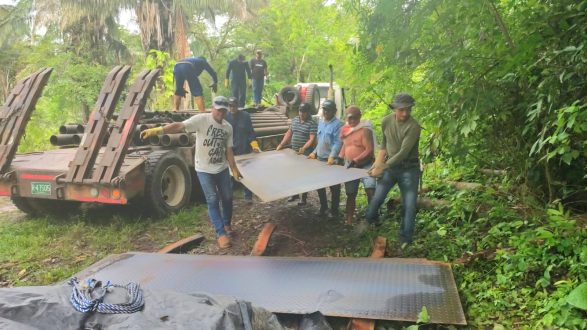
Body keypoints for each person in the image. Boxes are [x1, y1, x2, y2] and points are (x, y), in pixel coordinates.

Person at [140, 96, 242, 249]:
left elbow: (228, 150)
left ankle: (226, 224)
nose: (221, 113)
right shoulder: (202, 120)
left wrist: (233, 168)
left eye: (223, 110)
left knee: (227, 197)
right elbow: (179, 126)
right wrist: (159, 130)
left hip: (221, 168)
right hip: (203, 169)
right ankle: (221, 233)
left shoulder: (228, 127)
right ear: (212, 108)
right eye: (218, 109)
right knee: (212, 199)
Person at [365, 93, 421, 247]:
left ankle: (406, 239)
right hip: (390, 167)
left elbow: (403, 153)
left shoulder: (414, 127)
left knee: (409, 205)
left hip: (409, 169)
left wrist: (383, 166)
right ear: (395, 108)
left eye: (408, 109)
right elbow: (384, 146)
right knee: (377, 198)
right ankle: (366, 224)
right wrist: (377, 164)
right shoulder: (386, 121)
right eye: (402, 109)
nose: (405, 113)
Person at [338, 106, 376, 225]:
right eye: (350, 118)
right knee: (350, 193)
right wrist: (339, 157)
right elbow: (345, 146)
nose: (352, 121)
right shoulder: (345, 130)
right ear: (346, 118)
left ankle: (373, 217)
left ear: (359, 117)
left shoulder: (365, 130)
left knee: (370, 190)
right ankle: (349, 219)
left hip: (366, 164)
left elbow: (369, 150)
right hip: (350, 165)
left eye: (355, 118)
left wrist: (356, 159)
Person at [276, 103, 317, 205]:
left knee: (303, 175)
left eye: (304, 112)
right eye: (300, 111)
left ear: (308, 112)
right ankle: (294, 194)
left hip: (304, 153)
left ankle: (303, 197)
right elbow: (289, 133)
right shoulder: (294, 120)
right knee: (293, 174)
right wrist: (281, 144)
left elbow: (312, 139)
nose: (301, 113)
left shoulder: (312, 122)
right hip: (293, 151)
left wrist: (304, 148)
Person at [308, 100, 343, 217]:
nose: (326, 111)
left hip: (332, 160)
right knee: (320, 184)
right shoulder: (321, 122)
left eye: (328, 109)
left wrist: (332, 156)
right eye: (324, 109)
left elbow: (338, 142)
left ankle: (334, 211)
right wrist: (314, 152)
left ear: (334, 111)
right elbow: (320, 140)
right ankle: (323, 207)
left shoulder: (338, 124)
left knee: (334, 186)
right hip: (321, 159)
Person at [226, 96, 261, 203]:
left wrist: (254, 145)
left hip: (243, 148)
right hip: (230, 150)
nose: (232, 108)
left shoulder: (245, 116)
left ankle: (248, 197)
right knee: (230, 175)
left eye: (234, 106)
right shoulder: (225, 117)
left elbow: (251, 132)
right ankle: (228, 198)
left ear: (238, 106)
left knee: (247, 173)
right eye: (230, 106)